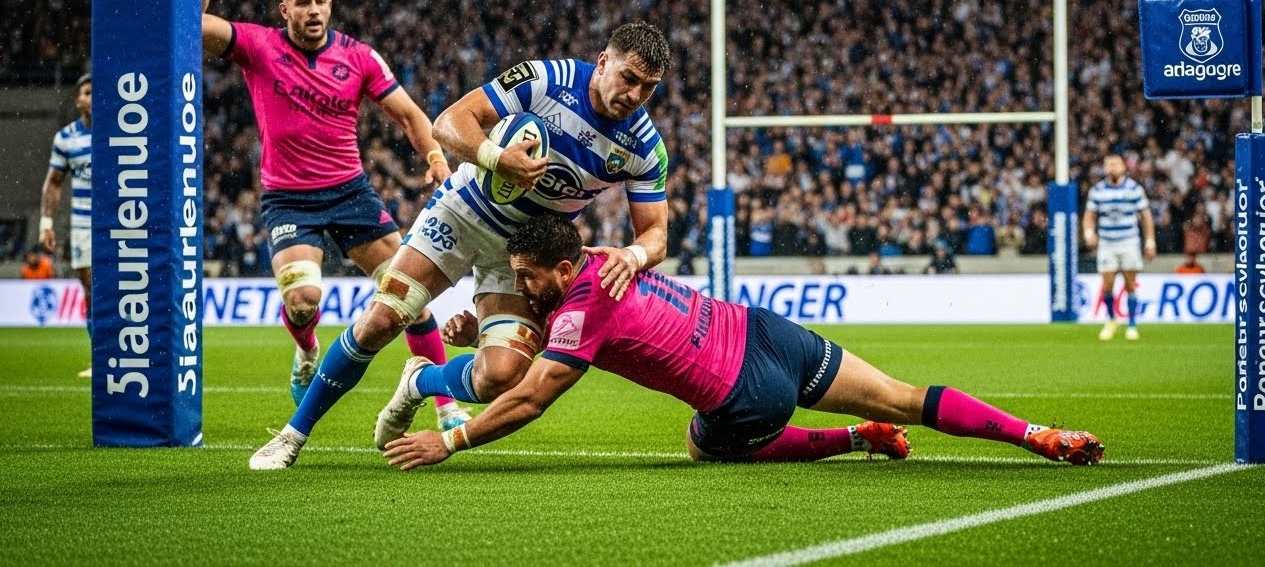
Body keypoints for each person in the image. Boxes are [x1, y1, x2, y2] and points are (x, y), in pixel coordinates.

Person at [249, 20, 672, 470]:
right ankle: (293, 435)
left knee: (501, 377)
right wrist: (496, 158)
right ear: (604, 62)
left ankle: (420, 381)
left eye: (648, 88)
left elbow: (656, 235)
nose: (634, 94)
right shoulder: (547, 80)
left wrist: (633, 254)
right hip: (462, 212)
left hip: (523, 250)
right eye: (629, 78)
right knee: (381, 321)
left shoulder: (645, 148)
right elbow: (449, 122)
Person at [378, 214, 1104, 470]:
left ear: (561, 270)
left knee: (702, 446)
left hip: (744, 394)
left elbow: (532, 395)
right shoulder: (601, 260)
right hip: (767, 333)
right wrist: (494, 328)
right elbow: (554, 325)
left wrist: (457, 439)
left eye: (528, 278)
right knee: (910, 397)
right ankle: (1033, 434)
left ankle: (849, 440)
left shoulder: (576, 310)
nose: (522, 288)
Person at [200, 0, 461, 426]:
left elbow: (410, 114)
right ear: (285, 10)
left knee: (409, 296)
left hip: (352, 194)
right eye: (303, 3)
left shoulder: (359, 57)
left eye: (320, 1)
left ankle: (446, 405)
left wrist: (435, 158)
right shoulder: (258, 45)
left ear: (330, 7)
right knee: (303, 301)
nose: (314, 10)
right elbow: (185, 20)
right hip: (289, 199)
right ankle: (305, 350)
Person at [39, 73, 93, 376]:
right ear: (78, 100)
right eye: (87, 92)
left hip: (122, 225)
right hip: (84, 225)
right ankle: (101, 358)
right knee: (92, 291)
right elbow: (54, 182)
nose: (93, 97)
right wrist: (46, 223)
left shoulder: (123, 133)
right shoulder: (66, 138)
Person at [1083, 153, 1156, 341]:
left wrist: (1149, 241)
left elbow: (1146, 216)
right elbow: (1090, 215)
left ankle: (1132, 324)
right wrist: (1089, 233)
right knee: (1107, 284)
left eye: (1115, 164)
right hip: (1107, 242)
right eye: (1108, 164)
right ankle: (1112, 319)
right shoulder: (1097, 190)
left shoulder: (1134, 189)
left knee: (1130, 283)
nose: (1112, 168)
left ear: (1124, 167)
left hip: (1129, 241)